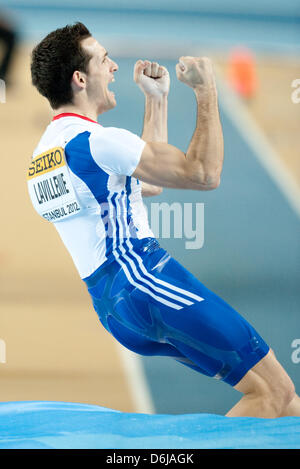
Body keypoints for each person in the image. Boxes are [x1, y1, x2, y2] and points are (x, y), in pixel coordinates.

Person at [28, 22, 299, 418]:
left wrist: (157, 100)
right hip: (146, 281)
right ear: (80, 78)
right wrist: (207, 90)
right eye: (104, 60)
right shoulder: (100, 141)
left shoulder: (43, 157)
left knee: (283, 400)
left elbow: (143, 187)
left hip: (113, 308)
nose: (114, 68)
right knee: (273, 392)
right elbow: (204, 173)